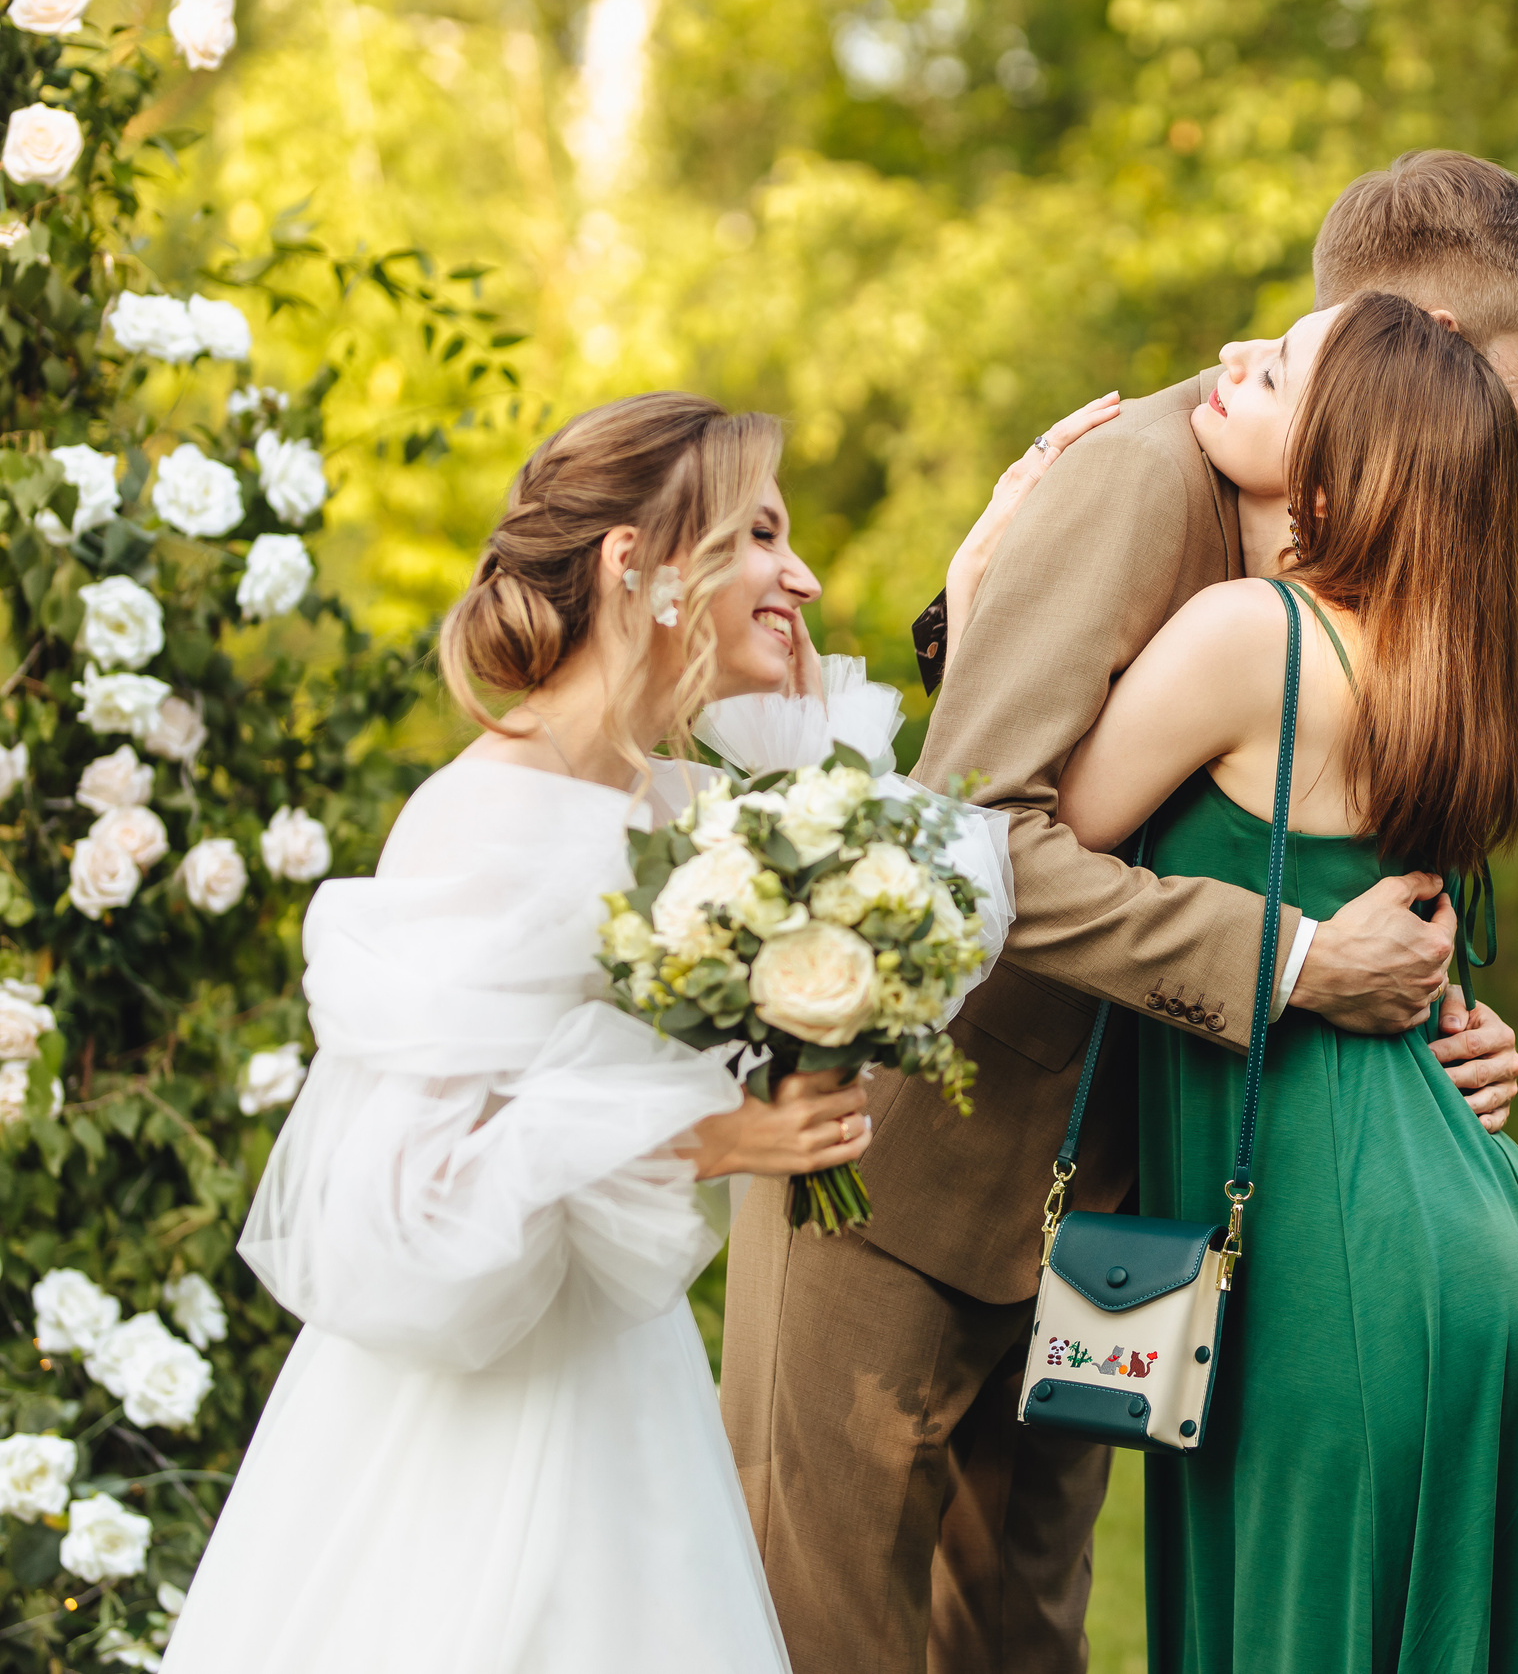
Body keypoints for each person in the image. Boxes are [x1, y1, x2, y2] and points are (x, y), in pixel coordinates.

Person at [718, 150, 1518, 1673]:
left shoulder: (1375, 558)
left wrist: (1435, 1013)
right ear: (1423, 345)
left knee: (1023, 1631)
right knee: (829, 1626)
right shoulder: (1150, 471)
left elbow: (1328, 839)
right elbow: (976, 830)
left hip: (1124, 1192)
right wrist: (1300, 964)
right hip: (915, 1156)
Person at [162, 393, 1027, 1673]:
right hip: (480, 1429)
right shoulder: (483, 819)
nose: (803, 578)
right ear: (641, 563)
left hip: (629, 1395)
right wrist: (718, 1136)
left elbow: (900, 858)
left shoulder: (685, 807)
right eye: (761, 536)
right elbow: (407, 1201)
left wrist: (973, 589)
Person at [1047, 290, 1518, 1667]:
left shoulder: (1251, 633)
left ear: (1344, 455)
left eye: (1284, 365)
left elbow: (1042, 831)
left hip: (1329, 1257)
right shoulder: (1440, 655)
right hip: (1471, 1221)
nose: (1238, 360)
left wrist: (1006, 546)